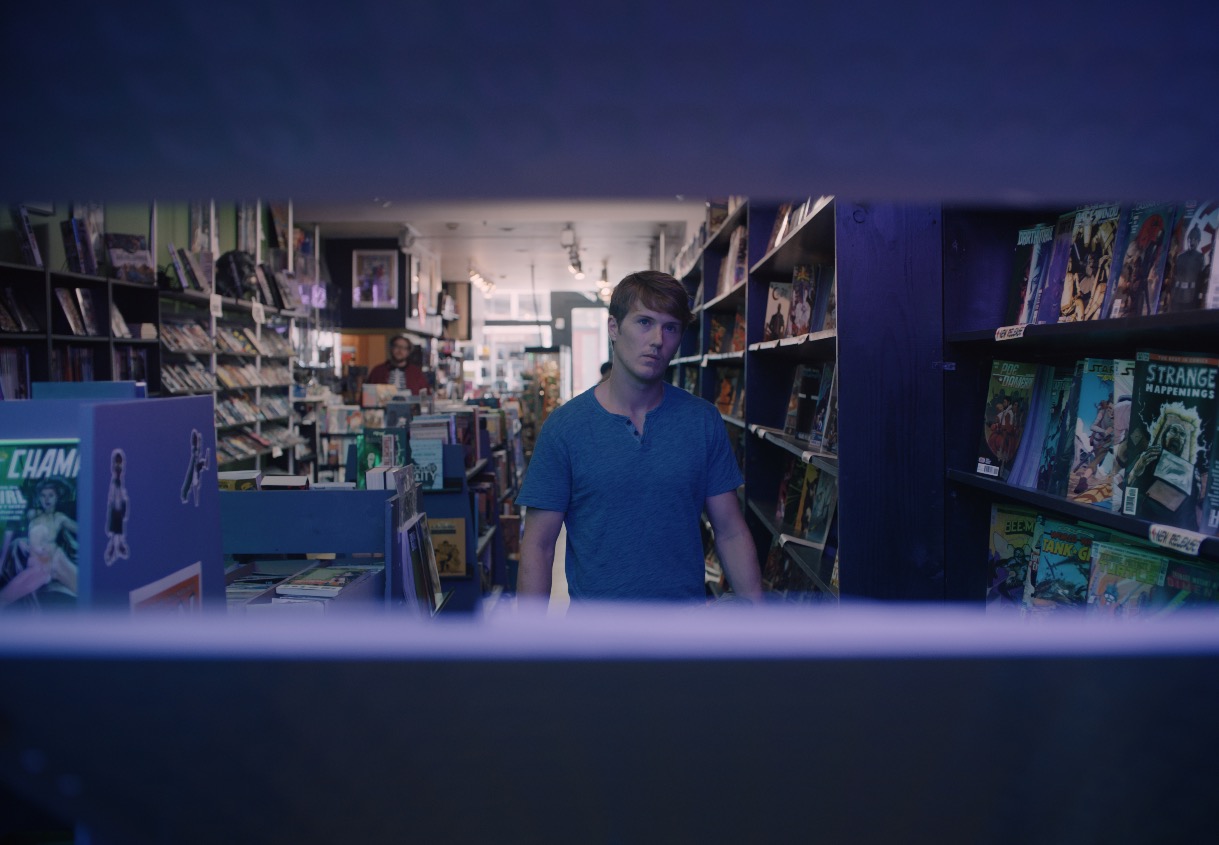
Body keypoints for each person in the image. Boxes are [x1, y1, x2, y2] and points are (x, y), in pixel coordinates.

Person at [515, 270, 763, 605]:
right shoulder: (564, 428)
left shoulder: (702, 421)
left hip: (684, 627)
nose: (658, 339)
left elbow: (730, 530)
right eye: (644, 322)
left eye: (670, 327)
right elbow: (539, 546)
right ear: (613, 328)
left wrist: (757, 616)